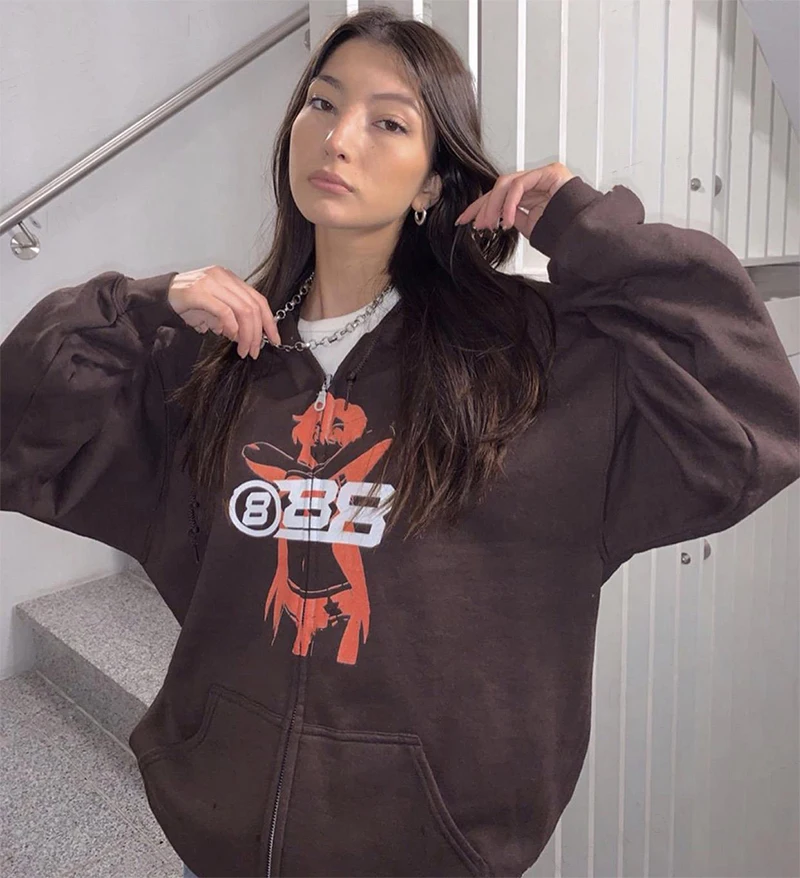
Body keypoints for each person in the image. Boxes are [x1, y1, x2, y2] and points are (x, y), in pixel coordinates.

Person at [2, 6, 799, 878]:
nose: (338, 138)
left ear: (431, 182)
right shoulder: (217, 359)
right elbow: (21, 432)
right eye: (321, 103)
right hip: (221, 838)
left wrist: (583, 227)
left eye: (388, 122)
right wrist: (142, 307)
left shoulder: (528, 361)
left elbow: (750, 411)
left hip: (431, 849)